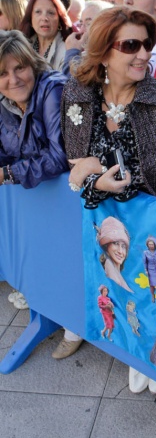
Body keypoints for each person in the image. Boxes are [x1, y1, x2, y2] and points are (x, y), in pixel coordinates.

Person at [58, 5, 156, 364]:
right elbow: (73, 166)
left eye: (147, 45)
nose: (144, 54)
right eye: (131, 45)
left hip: (150, 234)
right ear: (103, 51)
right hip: (97, 226)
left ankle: (155, 362)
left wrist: (97, 165)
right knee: (111, 301)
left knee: (153, 304)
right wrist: (94, 180)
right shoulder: (77, 94)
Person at [0, 30, 68, 309]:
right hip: (36, 198)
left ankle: (69, 318)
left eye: (19, 68)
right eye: (2, 73)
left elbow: (59, 156)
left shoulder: (52, 89)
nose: (13, 79)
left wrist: (8, 174)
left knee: (63, 262)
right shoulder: (4, 103)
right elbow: (7, 151)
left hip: (66, 199)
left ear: (33, 64)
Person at [20, 0, 72, 71]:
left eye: (51, 13)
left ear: (59, 20)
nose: (44, 18)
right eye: (38, 12)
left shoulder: (67, 51)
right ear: (30, 18)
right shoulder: (22, 47)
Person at [96, 216, 133, 292]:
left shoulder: (117, 272)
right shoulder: (109, 265)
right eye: (115, 243)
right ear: (107, 245)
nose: (120, 251)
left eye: (123, 246)